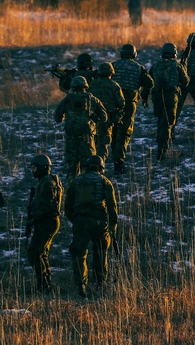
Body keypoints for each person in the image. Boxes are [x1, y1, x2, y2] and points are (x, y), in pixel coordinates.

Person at [64, 155, 118, 299]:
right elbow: (112, 205)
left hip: (80, 222)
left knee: (80, 253)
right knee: (101, 251)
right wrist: (112, 224)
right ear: (101, 167)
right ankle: (101, 282)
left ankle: (81, 285)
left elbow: (67, 205)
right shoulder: (104, 181)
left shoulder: (77, 181)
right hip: (99, 223)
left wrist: (75, 220)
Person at [111, 44, 154, 175]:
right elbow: (150, 83)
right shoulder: (138, 67)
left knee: (113, 130)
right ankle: (119, 162)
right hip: (129, 103)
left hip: (113, 102)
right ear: (134, 54)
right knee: (124, 132)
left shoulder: (113, 65)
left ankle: (112, 156)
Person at [54, 75, 108, 179]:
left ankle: (72, 189)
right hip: (87, 139)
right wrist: (94, 117)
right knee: (88, 167)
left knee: (72, 168)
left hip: (71, 139)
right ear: (85, 86)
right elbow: (104, 117)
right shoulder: (92, 99)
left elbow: (57, 118)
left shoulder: (67, 100)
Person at [25, 154, 63, 294]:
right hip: (46, 221)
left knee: (34, 252)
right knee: (41, 253)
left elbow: (47, 205)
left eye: (35, 167)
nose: (33, 170)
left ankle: (43, 284)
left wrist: (34, 219)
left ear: (42, 168)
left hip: (47, 221)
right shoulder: (45, 181)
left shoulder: (47, 183)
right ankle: (46, 283)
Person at [149, 43, 190, 160]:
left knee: (160, 120)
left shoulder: (155, 65)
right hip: (171, 96)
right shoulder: (177, 66)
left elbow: (149, 81)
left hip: (157, 96)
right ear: (174, 53)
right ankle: (162, 150)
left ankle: (160, 144)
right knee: (167, 123)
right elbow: (186, 82)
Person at [87, 63, 125, 164]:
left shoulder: (92, 84)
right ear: (111, 72)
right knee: (103, 144)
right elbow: (121, 103)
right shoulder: (114, 85)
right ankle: (100, 165)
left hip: (92, 117)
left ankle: (90, 164)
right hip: (107, 118)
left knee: (92, 142)